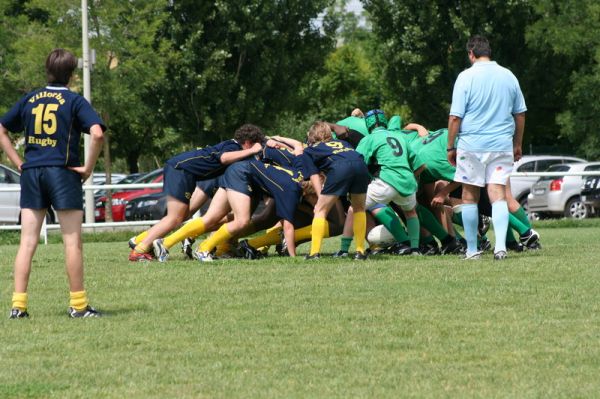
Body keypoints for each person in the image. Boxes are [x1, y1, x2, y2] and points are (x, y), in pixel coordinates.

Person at [0, 49, 105, 318]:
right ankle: (79, 306)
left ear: (47, 70)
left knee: (27, 242)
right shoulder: (73, 100)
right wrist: (88, 167)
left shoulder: (30, 98)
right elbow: (96, 134)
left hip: (32, 173)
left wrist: (18, 162)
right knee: (72, 242)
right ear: (71, 74)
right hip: (62, 172)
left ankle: (18, 306)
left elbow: (1, 128)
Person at [128, 124, 264, 261]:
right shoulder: (233, 147)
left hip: (183, 172)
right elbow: (224, 158)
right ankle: (140, 250)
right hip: (180, 171)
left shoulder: (231, 145)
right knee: (174, 218)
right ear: (247, 143)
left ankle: (140, 242)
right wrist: (253, 151)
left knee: (180, 216)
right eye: (254, 145)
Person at [447, 35, 527, 260]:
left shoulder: (465, 77)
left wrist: (450, 146)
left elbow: (455, 117)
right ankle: (500, 247)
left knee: (469, 197)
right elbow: (520, 113)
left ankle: (472, 250)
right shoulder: (508, 75)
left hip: (471, 145)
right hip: (501, 145)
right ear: (489, 52)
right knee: (498, 194)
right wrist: (517, 144)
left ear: (471, 53)